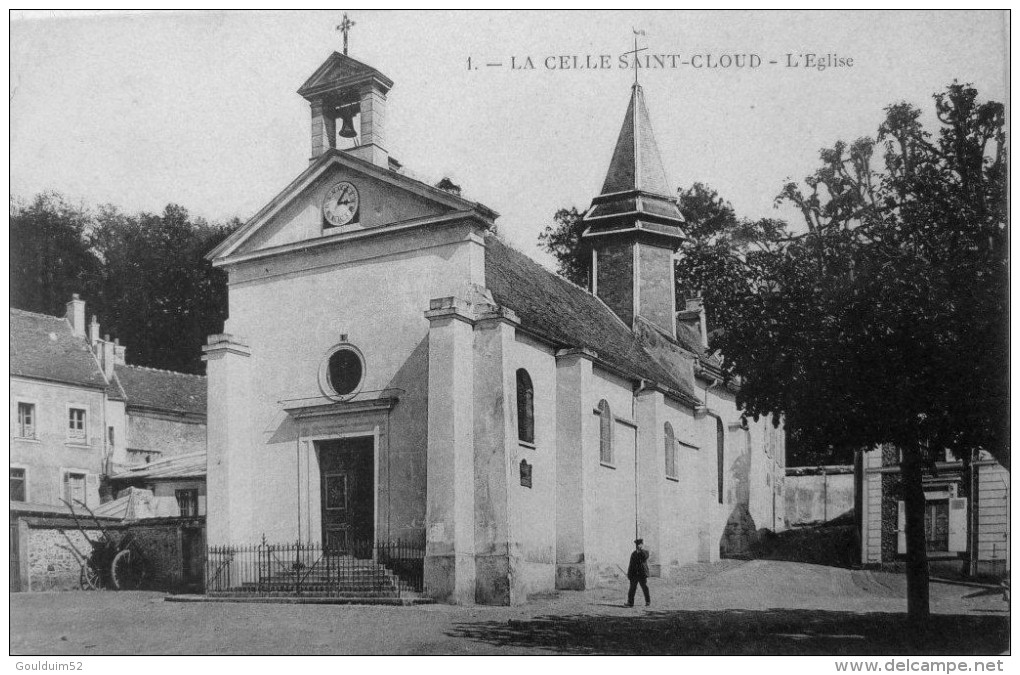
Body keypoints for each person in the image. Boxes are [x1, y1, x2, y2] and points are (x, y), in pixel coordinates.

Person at [626, 538, 650, 607]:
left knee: (644, 587)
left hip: (642, 574)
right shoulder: (633, 554)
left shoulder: (645, 552)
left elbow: (645, 557)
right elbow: (631, 564)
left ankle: (648, 601)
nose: (638, 546)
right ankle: (630, 603)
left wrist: (640, 550)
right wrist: (629, 574)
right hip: (634, 574)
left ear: (642, 545)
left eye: (640, 544)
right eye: (637, 544)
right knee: (632, 588)